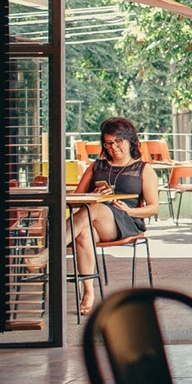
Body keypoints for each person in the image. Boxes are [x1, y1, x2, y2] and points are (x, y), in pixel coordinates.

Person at [67, 117, 159, 315]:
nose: (113, 147)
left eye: (118, 141)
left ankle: (50, 252)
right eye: (108, 143)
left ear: (130, 141)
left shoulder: (143, 169)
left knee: (97, 209)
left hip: (127, 221)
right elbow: (75, 200)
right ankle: (89, 292)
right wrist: (92, 196)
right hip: (96, 221)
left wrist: (128, 210)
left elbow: (153, 208)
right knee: (85, 233)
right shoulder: (96, 166)